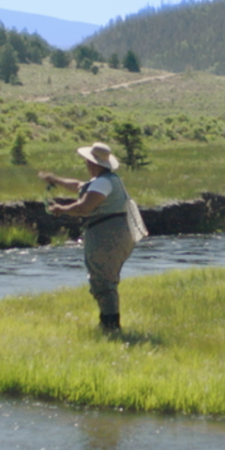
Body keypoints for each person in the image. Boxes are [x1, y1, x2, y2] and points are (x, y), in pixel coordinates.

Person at [42, 140, 147, 332]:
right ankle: (109, 323)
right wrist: (56, 180)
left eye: (87, 161)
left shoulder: (103, 183)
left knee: (104, 281)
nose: (85, 164)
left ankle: (110, 326)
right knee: (104, 278)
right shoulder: (107, 180)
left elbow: (84, 207)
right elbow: (78, 186)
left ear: (93, 163)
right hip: (117, 233)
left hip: (108, 235)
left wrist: (60, 209)